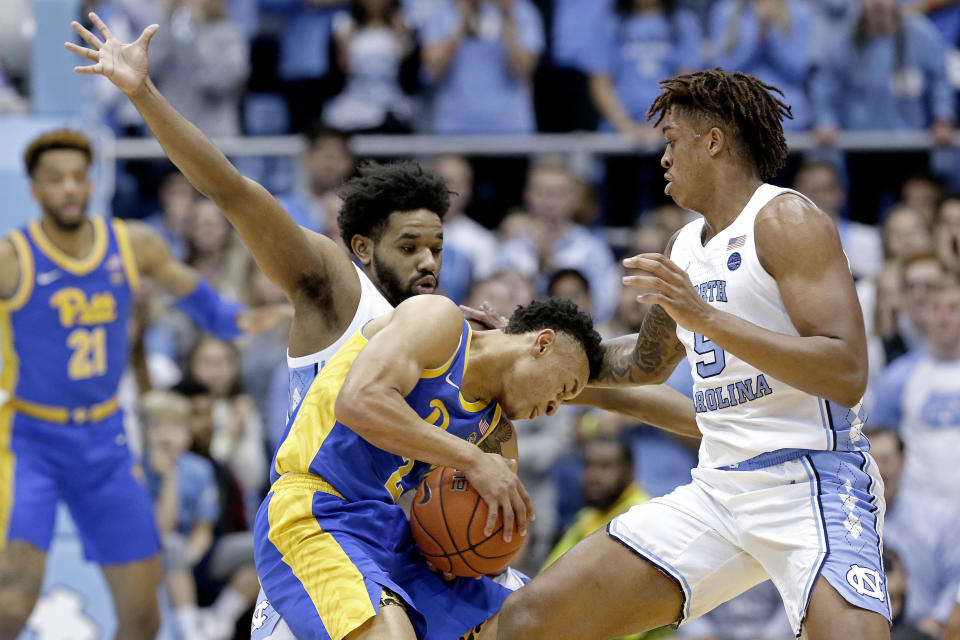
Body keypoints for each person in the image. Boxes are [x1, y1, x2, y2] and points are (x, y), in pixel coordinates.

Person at [478, 68, 888, 640]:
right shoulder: (686, 247)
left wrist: (707, 319)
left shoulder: (785, 219)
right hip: (719, 488)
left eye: (672, 141)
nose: (663, 157)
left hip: (811, 477)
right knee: (529, 623)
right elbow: (642, 364)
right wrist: (525, 361)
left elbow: (846, 372)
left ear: (713, 142)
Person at [0, 128, 274, 638]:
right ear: (34, 189)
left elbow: (213, 313)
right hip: (31, 439)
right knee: (13, 602)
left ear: (93, 182)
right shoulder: (13, 258)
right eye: (55, 179)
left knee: (144, 617)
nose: (69, 189)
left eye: (78, 177)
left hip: (105, 437)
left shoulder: (133, 246)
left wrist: (259, 318)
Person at [256, 296, 604, 639]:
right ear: (542, 344)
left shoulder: (496, 436)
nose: (554, 408)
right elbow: (358, 401)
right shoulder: (441, 323)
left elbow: (486, 540)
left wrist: (456, 555)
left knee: (530, 617)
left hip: (392, 533)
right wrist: (471, 459)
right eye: (564, 388)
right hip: (316, 509)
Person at [871, 274, 960, 512]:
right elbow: (879, 442)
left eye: (953, 308)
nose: (944, 317)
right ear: (924, 314)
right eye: (935, 308)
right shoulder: (898, 376)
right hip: (918, 510)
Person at [868, 427, 960, 637]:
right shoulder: (842, 522)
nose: (879, 471)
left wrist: (938, 619)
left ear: (902, 461)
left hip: (926, 629)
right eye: (871, 462)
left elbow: (957, 578)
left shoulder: (941, 517)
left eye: (886, 460)